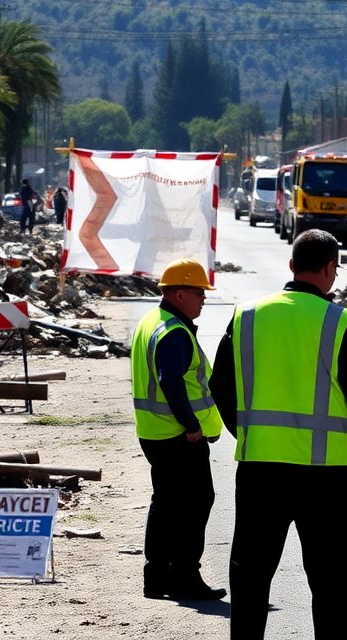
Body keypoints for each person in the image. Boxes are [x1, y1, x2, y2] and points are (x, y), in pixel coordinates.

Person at [210, 229, 347, 640]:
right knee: (329, 585)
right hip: (323, 476)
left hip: (261, 469)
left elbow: (220, 386)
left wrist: (247, 433)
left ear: (291, 265)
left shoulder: (247, 316)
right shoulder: (342, 323)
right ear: (332, 269)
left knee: (251, 580)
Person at [130, 258, 227, 601]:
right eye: (200, 292)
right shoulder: (174, 331)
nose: (203, 299)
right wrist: (191, 425)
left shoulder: (152, 321)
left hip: (155, 431)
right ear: (180, 293)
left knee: (167, 503)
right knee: (196, 502)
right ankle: (185, 576)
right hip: (177, 434)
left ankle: (157, 579)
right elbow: (171, 381)